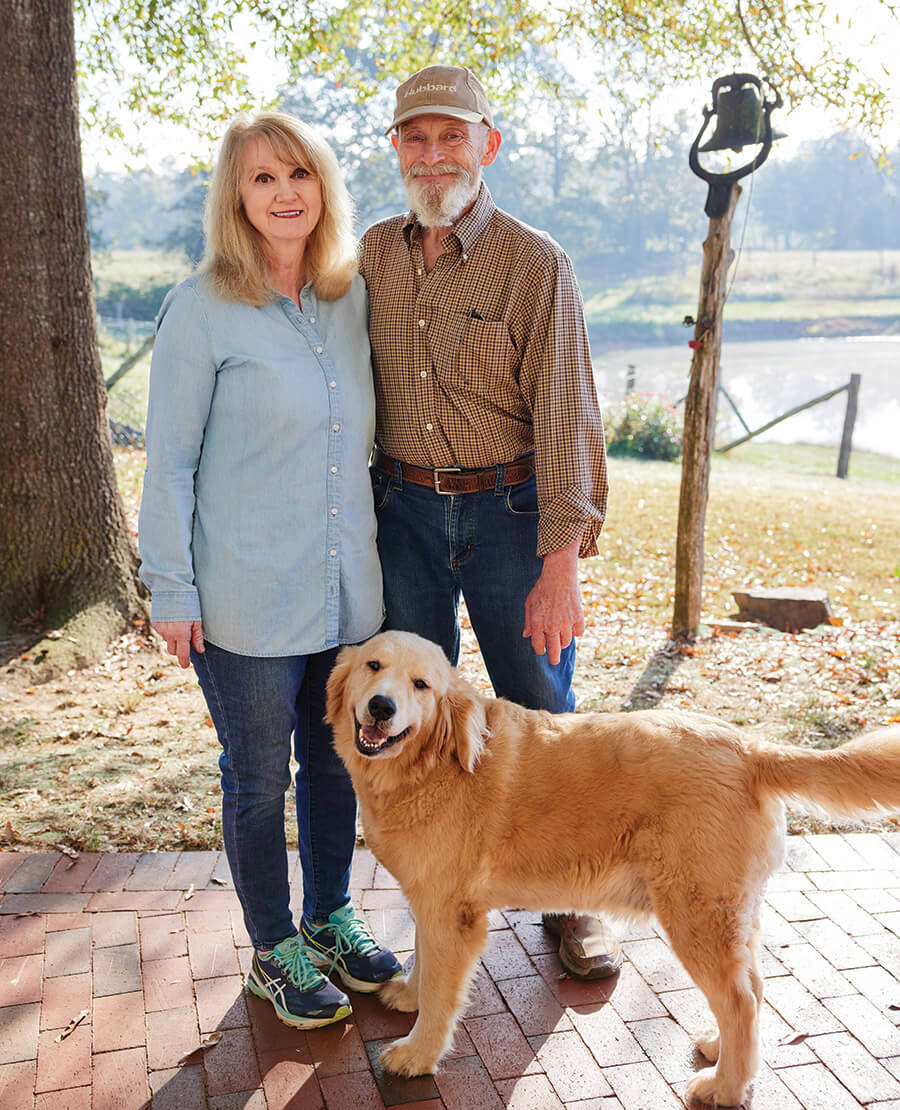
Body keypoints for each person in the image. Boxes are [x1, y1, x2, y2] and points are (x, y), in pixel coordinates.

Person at [138, 111, 401, 1029]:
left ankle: (329, 918)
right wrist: (169, 587)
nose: (284, 192)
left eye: (299, 173)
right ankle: (272, 948)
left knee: (338, 766)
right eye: (261, 179)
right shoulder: (202, 306)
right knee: (259, 778)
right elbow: (167, 459)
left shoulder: (348, 297)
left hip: (345, 598)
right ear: (235, 196)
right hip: (243, 597)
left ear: (322, 185)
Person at [360, 66, 622, 980]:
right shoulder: (371, 257)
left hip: (513, 514)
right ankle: (438, 890)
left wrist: (562, 565)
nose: (435, 157)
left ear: (487, 145)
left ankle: (572, 905)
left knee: (543, 713)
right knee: (407, 719)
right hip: (403, 514)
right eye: (416, 140)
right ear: (396, 149)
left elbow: (568, 420)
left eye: (452, 138)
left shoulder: (534, 262)